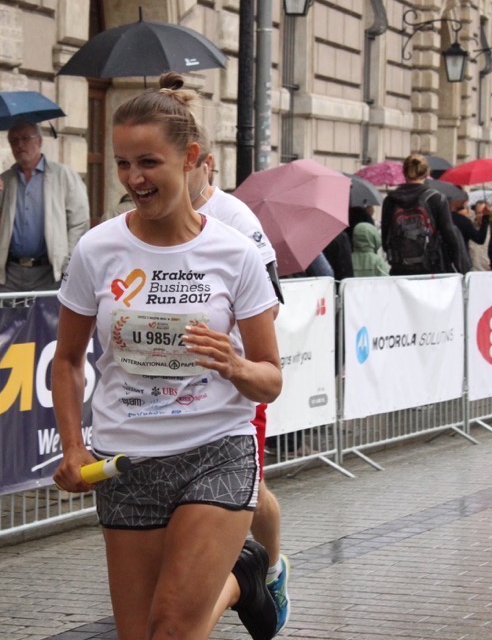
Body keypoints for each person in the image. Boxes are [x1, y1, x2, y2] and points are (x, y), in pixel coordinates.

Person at [51, 73, 284, 640]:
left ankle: (241, 575)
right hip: (125, 460)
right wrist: (74, 445)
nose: (134, 178)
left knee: (174, 627)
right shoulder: (97, 249)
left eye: (149, 162)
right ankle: (243, 578)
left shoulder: (235, 253)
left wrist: (234, 366)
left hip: (216, 451)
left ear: (191, 158)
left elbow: (270, 378)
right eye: (124, 163)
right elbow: (67, 360)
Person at [183, 142, 292, 634]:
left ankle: (268, 568)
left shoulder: (236, 218)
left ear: (203, 163)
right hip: (172, 393)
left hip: (233, 385)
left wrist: (231, 352)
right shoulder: (142, 220)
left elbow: (270, 304)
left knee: (250, 488)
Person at [0, 121, 90, 292]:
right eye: (14, 141)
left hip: (49, 273)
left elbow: (80, 221)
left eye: (25, 138)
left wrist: (66, 260)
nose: (19, 145)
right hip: (9, 274)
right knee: (3, 311)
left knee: (50, 312)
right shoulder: (4, 180)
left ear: (39, 141)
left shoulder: (63, 175)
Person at [381, 153, 461, 275]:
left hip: (399, 270)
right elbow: (449, 236)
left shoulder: (390, 200)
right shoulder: (436, 198)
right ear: (427, 173)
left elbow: (385, 239)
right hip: (430, 269)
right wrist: (456, 264)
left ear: (404, 172)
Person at [450, 198, 489, 266]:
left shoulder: (441, 219)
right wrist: (486, 217)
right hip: (465, 264)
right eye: (479, 213)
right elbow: (480, 239)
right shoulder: (463, 221)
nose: (465, 202)